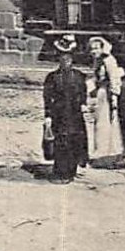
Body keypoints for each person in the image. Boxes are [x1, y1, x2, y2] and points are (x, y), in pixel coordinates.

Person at [42, 34, 89, 182]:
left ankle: (72, 170)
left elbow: (83, 93)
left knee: (75, 140)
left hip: (75, 115)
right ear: (58, 61)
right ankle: (61, 172)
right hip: (59, 114)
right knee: (61, 142)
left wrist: (83, 104)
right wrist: (48, 115)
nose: (65, 62)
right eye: (62, 59)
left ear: (72, 60)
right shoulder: (52, 77)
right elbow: (47, 97)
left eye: (68, 59)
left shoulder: (79, 76)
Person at [87, 36, 125, 168]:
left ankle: (111, 155)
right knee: (100, 124)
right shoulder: (98, 61)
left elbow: (114, 79)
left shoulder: (109, 61)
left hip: (108, 95)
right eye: (92, 49)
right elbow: (95, 77)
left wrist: (114, 98)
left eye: (96, 48)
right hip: (101, 94)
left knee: (109, 124)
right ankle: (101, 152)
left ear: (102, 48)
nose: (93, 51)